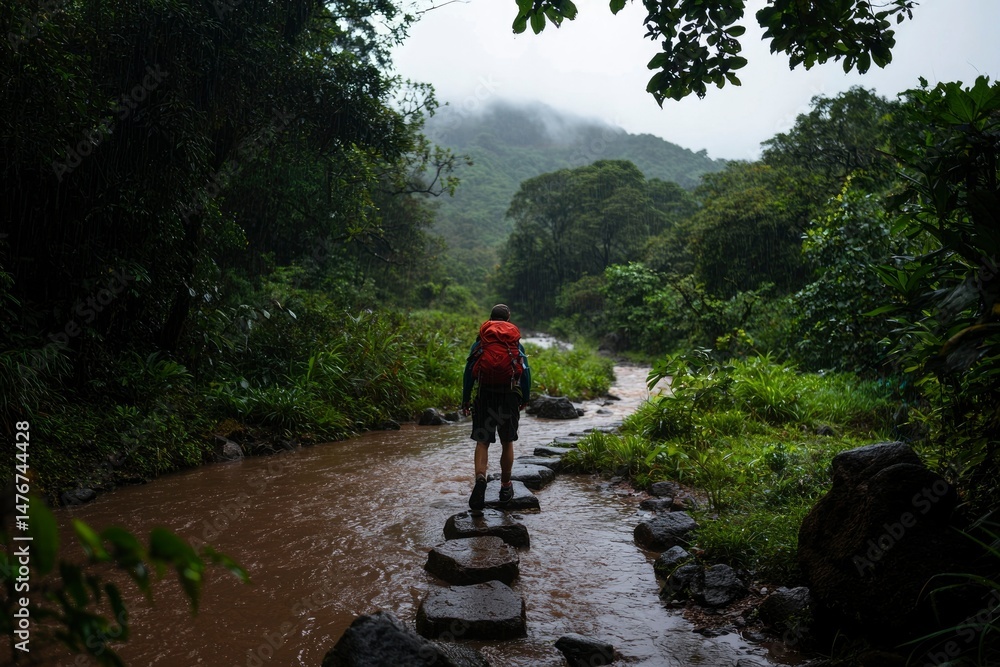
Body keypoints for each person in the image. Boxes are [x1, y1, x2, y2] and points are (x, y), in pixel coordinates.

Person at [461, 303, 531, 511]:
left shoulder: (481, 342)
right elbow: (525, 372)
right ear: (508, 320)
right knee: (507, 441)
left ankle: (480, 479)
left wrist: (466, 398)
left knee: (482, 442)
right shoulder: (515, 343)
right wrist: (524, 397)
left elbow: (468, 371)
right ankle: (505, 486)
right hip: (508, 395)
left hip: (485, 395)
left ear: (490, 320)